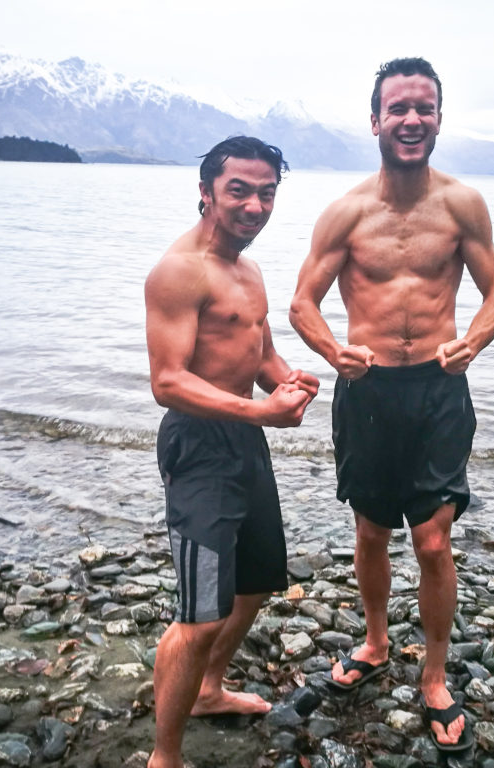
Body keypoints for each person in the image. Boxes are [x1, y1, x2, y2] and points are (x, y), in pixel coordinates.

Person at [289, 58, 494, 753]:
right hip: (370, 390)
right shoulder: (347, 212)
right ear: (377, 120)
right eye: (399, 109)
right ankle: (379, 643)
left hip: (439, 392)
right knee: (371, 532)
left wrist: (472, 342)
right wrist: (334, 354)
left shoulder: (463, 205)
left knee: (435, 538)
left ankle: (436, 675)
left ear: (438, 118)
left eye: (424, 109)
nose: (411, 121)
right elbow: (301, 303)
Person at [144, 135, 320, 768]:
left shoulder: (247, 268)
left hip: (244, 438)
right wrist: (259, 410)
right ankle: (164, 756)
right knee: (198, 614)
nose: (253, 205)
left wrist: (288, 383)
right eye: (238, 190)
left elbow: (259, 352)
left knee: (254, 585)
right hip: (200, 444)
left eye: (266, 192)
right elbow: (167, 381)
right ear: (206, 192)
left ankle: (209, 691)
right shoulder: (178, 270)